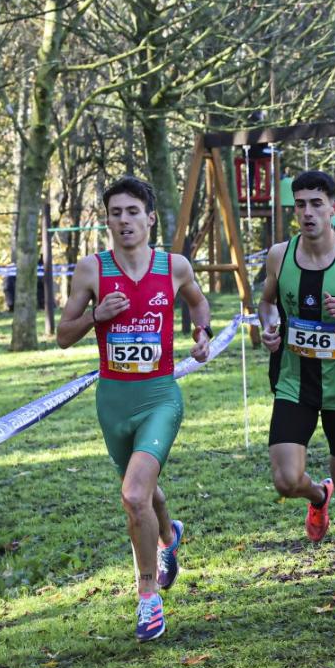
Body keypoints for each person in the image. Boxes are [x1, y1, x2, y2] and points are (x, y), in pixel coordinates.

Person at [56, 175, 211, 642]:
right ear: (108, 221)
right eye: (115, 213)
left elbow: (199, 304)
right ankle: (168, 538)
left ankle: (148, 598)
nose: (123, 221)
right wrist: (95, 317)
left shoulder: (175, 266)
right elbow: (63, 335)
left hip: (160, 397)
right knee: (141, 492)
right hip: (114, 401)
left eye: (131, 212)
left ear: (149, 219)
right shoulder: (91, 270)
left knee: (133, 495)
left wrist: (201, 335)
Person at [257, 170, 335, 601]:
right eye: (300, 204)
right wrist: (268, 330)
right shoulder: (278, 256)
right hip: (293, 382)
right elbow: (267, 304)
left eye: (316, 204)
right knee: (286, 480)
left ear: (333, 209)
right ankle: (316, 495)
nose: (307, 212)